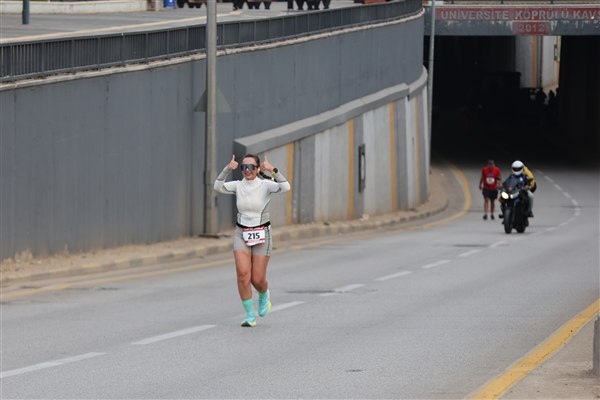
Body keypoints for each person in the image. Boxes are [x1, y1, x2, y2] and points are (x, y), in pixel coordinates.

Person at [214, 154, 291, 327]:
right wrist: (227, 169)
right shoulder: (238, 185)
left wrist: (272, 170)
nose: (247, 170)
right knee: (243, 275)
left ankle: (264, 295)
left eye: (250, 167)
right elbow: (217, 186)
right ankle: (250, 315)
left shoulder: (265, 185)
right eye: (244, 167)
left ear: (257, 169)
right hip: (241, 233)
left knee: (257, 279)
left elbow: (286, 187)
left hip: (262, 233)